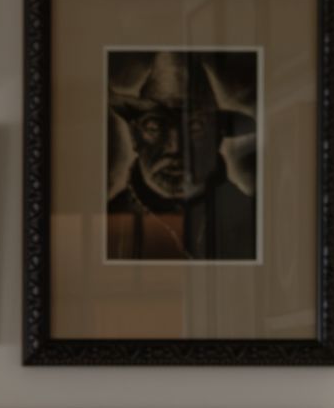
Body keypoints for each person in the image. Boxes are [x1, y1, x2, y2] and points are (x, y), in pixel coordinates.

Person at [105, 52, 256, 262]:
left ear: (218, 136)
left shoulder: (252, 220)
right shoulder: (109, 221)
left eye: (195, 127)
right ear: (134, 136)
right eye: (155, 126)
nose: (175, 147)